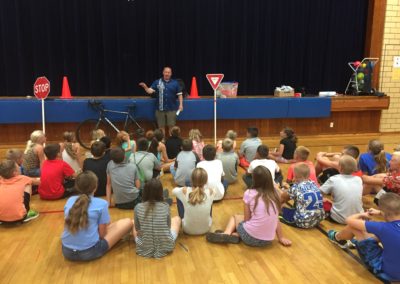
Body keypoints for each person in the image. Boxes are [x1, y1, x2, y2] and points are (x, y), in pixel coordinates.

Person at [206, 166, 291, 247]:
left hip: (250, 238)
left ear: (254, 179)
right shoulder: (276, 194)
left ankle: (227, 233)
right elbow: (276, 219)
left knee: (235, 217)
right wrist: (281, 237)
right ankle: (235, 235)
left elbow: (247, 219)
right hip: (268, 241)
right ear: (270, 179)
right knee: (253, 221)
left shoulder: (249, 193)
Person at [61, 171, 133, 262]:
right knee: (127, 222)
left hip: (66, 251)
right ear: (95, 188)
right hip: (90, 252)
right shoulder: (102, 204)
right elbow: (102, 235)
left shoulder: (70, 200)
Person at [327, 193, 400, 282]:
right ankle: (349, 240)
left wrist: (362, 214)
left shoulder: (383, 227)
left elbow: (349, 220)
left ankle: (337, 237)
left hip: (388, 274)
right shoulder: (385, 227)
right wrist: (379, 212)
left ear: (384, 212)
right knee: (387, 237)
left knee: (354, 227)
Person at [133, 178, 181, 258]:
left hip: (143, 248)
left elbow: (138, 229)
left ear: (144, 192)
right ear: (160, 193)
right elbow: (168, 227)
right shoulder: (165, 206)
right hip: (166, 246)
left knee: (133, 224)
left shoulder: (138, 207)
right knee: (177, 219)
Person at [320, 156, 363, 224]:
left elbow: (318, 194)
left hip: (339, 218)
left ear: (340, 168)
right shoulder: (359, 179)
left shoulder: (333, 179)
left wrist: (323, 199)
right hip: (357, 218)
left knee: (320, 202)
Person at [139, 67, 183, 134]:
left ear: (171, 74)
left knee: (171, 127)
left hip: (171, 109)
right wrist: (145, 87)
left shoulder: (175, 83)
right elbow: (149, 91)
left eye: (168, 72)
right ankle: (162, 141)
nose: (167, 74)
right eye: (166, 72)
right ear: (163, 73)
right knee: (161, 127)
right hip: (159, 109)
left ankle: (171, 141)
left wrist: (181, 105)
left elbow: (180, 95)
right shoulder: (157, 82)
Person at [280, 163, 324, 228]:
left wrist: (278, 189)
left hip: (302, 222)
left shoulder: (296, 187)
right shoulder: (314, 184)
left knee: (279, 207)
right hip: (318, 219)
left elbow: (282, 198)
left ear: (296, 176)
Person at [173, 168, 215, 235]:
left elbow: (174, 191)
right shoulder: (211, 192)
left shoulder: (185, 191)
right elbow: (211, 192)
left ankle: (182, 218)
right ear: (206, 181)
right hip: (206, 228)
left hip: (187, 230)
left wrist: (183, 188)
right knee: (209, 200)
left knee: (179, 196)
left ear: (191, 180)